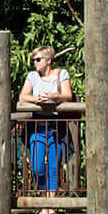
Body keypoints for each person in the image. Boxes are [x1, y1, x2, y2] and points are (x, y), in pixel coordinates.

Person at [18, 45, 75, 194]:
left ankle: (49, 205)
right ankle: (43, 196)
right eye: (34, 60)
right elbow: (23, 96)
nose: (35, 63)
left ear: (48, 60)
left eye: (38, 59)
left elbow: (68, 96)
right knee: (37, 167)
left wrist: (53, 96)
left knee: (54, 166)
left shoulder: (61, 74)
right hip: (37, 124)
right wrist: (36, 99)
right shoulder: (32, 76)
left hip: (56, 124)